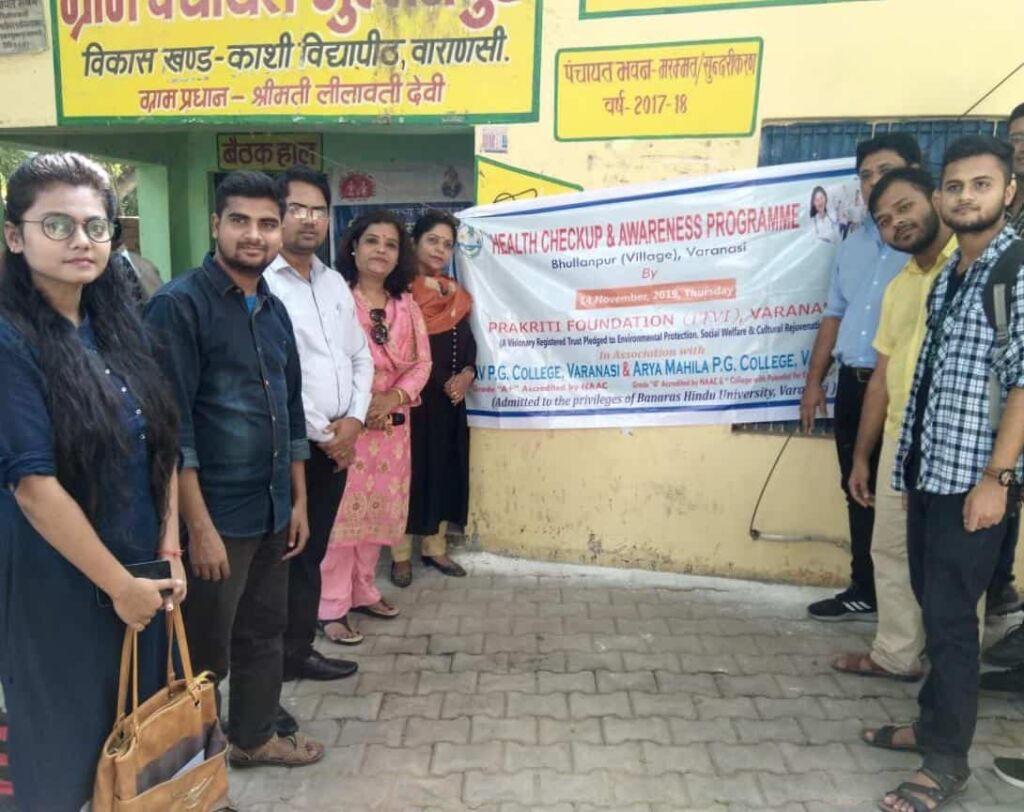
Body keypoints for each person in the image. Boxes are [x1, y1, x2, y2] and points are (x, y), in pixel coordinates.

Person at [0, 152, 184, 810]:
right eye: (57, 225)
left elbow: (161, 441)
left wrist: (169, 548)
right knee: (67, 760)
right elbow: (33, 487)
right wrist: (119, 587)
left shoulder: (116, 328)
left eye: (96, 226)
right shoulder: (11, 341)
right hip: (60, 585)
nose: (81, 240)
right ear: (15, 236)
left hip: (140, 573)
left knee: (138, 748)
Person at [861, 135, 1024, 812]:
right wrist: (908, 472)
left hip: (973, 482)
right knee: (936, 609)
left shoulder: (1015, 271)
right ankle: (930, 727)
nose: (966, 197)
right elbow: (929, 380)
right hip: (932, 475)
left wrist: (997, 481)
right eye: (955, 186)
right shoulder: (954, 271)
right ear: (941, 196)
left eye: (981, 185)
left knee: (955, 624)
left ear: (1007, 191)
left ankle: (946, 762)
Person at [145, 171, 324, 768]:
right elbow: (172, 429)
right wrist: (198, 528)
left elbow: (289, 411)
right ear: (215, 224)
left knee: (264, 632)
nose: (255, 235)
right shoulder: (179, 306)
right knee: (203, 653)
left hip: (272, 507)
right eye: (240, 221)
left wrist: (298, 502)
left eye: (267, 223)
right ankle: (193, 770)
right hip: (217, 514)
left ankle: (252, 738)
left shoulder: (272, 309)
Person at [832, 167, 954, 683]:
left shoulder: (970, 270)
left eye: (905, 208)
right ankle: (897, 655)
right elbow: (881, 377)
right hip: (901, 441)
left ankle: (951, 677)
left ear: (935, 199)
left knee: (948, 564)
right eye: (884, 219)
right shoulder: (900, 285)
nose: (896, 223)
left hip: (954, 443)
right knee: (890, 550)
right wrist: (863, 456)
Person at [263, 167, 371, 721]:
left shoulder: (332, 283)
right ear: (278, 214)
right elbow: (276, 376)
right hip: (291, 448)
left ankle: (298, 651)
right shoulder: (263, 284)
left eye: (318, 210)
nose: (309, 219)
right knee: (281, 556)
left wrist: (354, 419)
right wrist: (326, 435)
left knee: (313, 551)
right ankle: (268, 666)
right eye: (297, 209)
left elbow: (359, 356)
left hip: (338, 442)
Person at [801, 133, 921, 621]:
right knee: (856, 485)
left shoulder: (923, 243)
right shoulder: (853, 243)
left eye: (885, 171)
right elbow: (835, 313)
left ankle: (909, 603)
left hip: (901, 389)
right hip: (853, 382)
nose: (874, 183)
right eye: (866, 176)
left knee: (905, 497)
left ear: (915, 173)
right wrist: (815, 381)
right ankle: (864, 589)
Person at [318, 211, 431, 644]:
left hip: (392, 431)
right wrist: (363, 405)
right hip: (349, 426)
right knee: (341, 519)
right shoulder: (336, 301)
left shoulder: (407, 305)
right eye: (372, 241)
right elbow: (328, 362)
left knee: (379, 516)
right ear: (353, 247)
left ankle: (363, 590)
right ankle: (330, 606)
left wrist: (394, 398)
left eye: (390, 244)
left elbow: (422, 364)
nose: (381, 250)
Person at [392, 210, 475, 587]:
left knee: (442, 470)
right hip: (410, 401)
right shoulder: (399, 293)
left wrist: (467, 374)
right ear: (414, 243)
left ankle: (434, 548)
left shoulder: (455, 293)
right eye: (433, 241)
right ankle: (399, 555)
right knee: (407, 475)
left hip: (448, 402)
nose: (440, 249)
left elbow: (467, 341)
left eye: (447, 244)